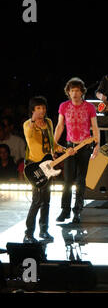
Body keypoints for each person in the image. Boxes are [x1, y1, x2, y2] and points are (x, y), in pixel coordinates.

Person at [54, 77, 100, 224]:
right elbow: (60, 126)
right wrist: (54, 144)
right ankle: (65, 210)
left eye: (77, 90)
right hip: (70, 147)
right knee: (67, 180)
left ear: (82, 92)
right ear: (68, 92)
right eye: (72, 90)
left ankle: (77, 211)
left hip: (85, 145)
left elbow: (95, 127)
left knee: (80, 180)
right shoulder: (64, 106)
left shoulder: (89, 107)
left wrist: (97, 145)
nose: (74, 93)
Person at [23, 96, 65, 243]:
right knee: (36, 200)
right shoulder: (28, 125)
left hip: (48, 166)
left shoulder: (48, 123)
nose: (42, 111)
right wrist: (34, 121)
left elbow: (53, 145)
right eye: (38, 108)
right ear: (33, 110)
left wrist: (65, 150)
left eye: (43, 108)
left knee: (46, 200)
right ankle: (28, 233)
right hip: (34, 166)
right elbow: (29, 137)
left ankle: (44, 230)